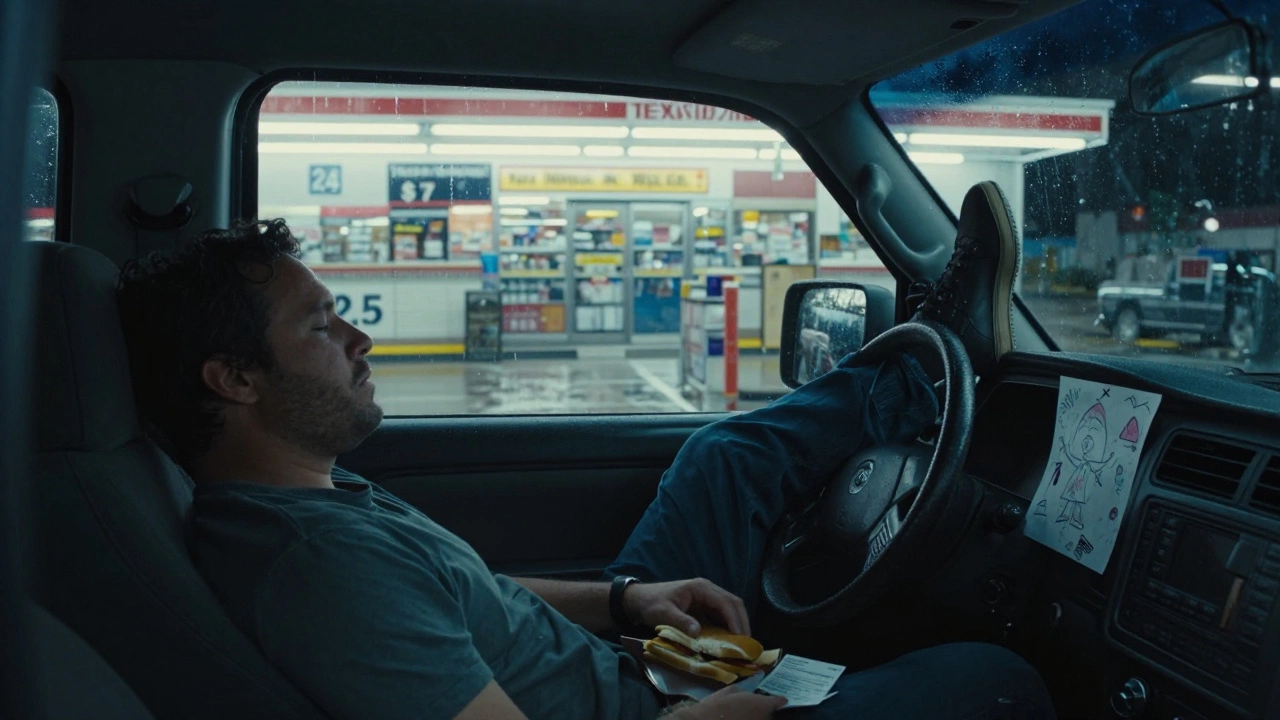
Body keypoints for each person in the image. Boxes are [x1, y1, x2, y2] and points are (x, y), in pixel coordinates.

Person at [116, 181, 1053, 720]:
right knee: (996, 679)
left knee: (719, 457)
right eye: (323, 326)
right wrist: (708, 715)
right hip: (651, 708)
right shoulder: (319, 570)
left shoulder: (307, 493)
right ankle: (932, 368)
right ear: (233, 380)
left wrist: (624, 599)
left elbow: (462, 599)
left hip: (629, 661)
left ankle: (931, 365)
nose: (359, 340)